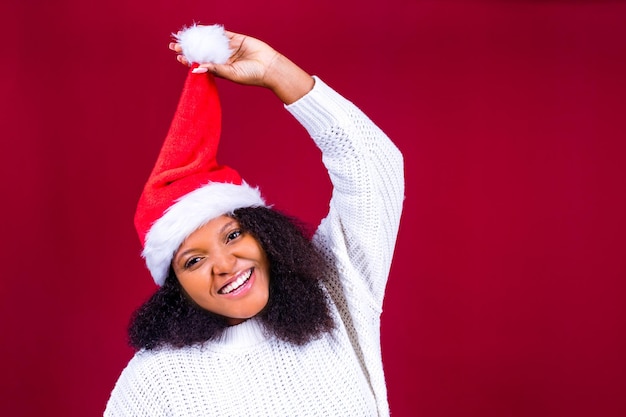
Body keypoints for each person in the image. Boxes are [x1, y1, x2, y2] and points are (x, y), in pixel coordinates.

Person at [105, 24, 404, 417]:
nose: (225, 265)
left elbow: (373, 168)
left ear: (264, 234)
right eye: (194, 261)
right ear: (175, 285)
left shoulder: (335, 296)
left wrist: (275, 70)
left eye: (232, 235)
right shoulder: (154, 382)